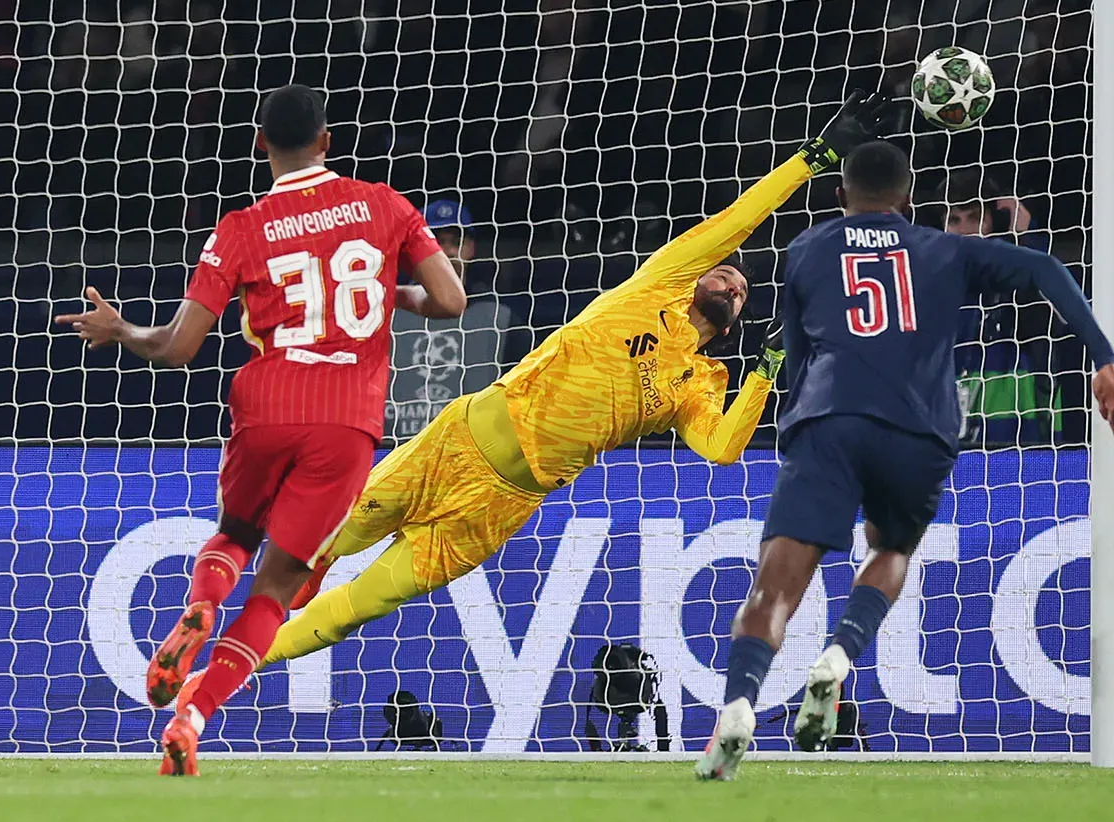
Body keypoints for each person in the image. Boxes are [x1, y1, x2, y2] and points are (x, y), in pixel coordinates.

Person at [215, 93, 893, 684]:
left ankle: (221, 673)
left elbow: (719, 449)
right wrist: (815, 160)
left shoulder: (700, 381)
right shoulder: (655, 285)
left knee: (361, 607)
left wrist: (769, 368)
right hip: (462, 437)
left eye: (742, 291)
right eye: (726, 275)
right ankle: (231, 603)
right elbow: (738, 219)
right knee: (321, 540)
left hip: (503, 503)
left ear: (738, 322)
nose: (733, 282)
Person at [55, 83, 465, 776]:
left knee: (236, 533)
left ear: (260, 144)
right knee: (278, 592)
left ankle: (201, 606)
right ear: (327, 141)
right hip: (346, 421)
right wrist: (386, 291)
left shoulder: (240, 228)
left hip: (267, 403)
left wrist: (121, 327)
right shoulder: (386, 204)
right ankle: (192, 715)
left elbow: (179, 347)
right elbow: (451, 300)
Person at [695, 137, 1114, 781]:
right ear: (908, 200)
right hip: (919, 426)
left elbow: (794, 355)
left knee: (774, 584)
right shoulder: (943, 248)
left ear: (840, 196)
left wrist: (798, 431)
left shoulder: (804, 251)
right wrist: (1100, 355)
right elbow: (1046, 271)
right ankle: (840, 657)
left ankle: (736, 709)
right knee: (889, 551)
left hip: (829, 420)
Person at [387, 198, 509, 440]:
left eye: (458, 241)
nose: (450, 251)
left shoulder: (500, 317)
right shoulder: (388, 313)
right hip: (391, 451)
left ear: (471, 248)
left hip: (472, 450)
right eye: (438, 242)